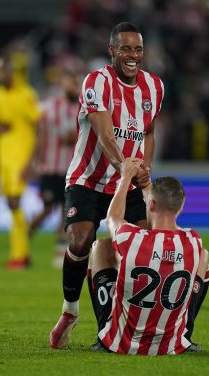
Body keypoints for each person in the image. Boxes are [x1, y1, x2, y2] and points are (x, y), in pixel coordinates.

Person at [49, 22, 163, 348]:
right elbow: (105, 135)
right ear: (112, 50)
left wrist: (146, 166)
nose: (132, 55)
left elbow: (149, 129)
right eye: (125, 49)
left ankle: (124, 323)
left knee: (146, 249)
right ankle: (70, 310)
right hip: (87, 179)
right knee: (81, 240)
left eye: (138, 49)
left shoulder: (154, 87)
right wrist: (126, 168)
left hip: (127, 182)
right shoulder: (96, 82)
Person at [86, 159, 209, 355]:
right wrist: (146, 187)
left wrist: (126, 176)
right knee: (203, 258)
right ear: (181, 208)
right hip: (169, 347)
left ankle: (104, 335)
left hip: (122, 344)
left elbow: (113, 217)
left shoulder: (131, 237)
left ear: (151, 204)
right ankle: (185, 335)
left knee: (100, 247)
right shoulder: (193, 241)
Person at [0, 53, 41, 270]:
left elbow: (38, 128)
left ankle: (19, 254)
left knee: (14, 202)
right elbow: (1, 122)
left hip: (21, 155)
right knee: (11, 205)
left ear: (12, 71)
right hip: (3, 155)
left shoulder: (27, 94)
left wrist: (33, 161)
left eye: (2, 69)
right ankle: (23, 253)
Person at [28, 70, 80, 268]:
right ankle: (25, 236)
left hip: (71, 170)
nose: (73, 87)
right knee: (48, 208)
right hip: (49, 167)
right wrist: (33, 161)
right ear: (62, 84)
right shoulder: (47, 108)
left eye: (76, 83)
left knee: (66, 212)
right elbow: (35, 133)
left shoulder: (82, 108)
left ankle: (60, 253)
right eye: (70, 83)